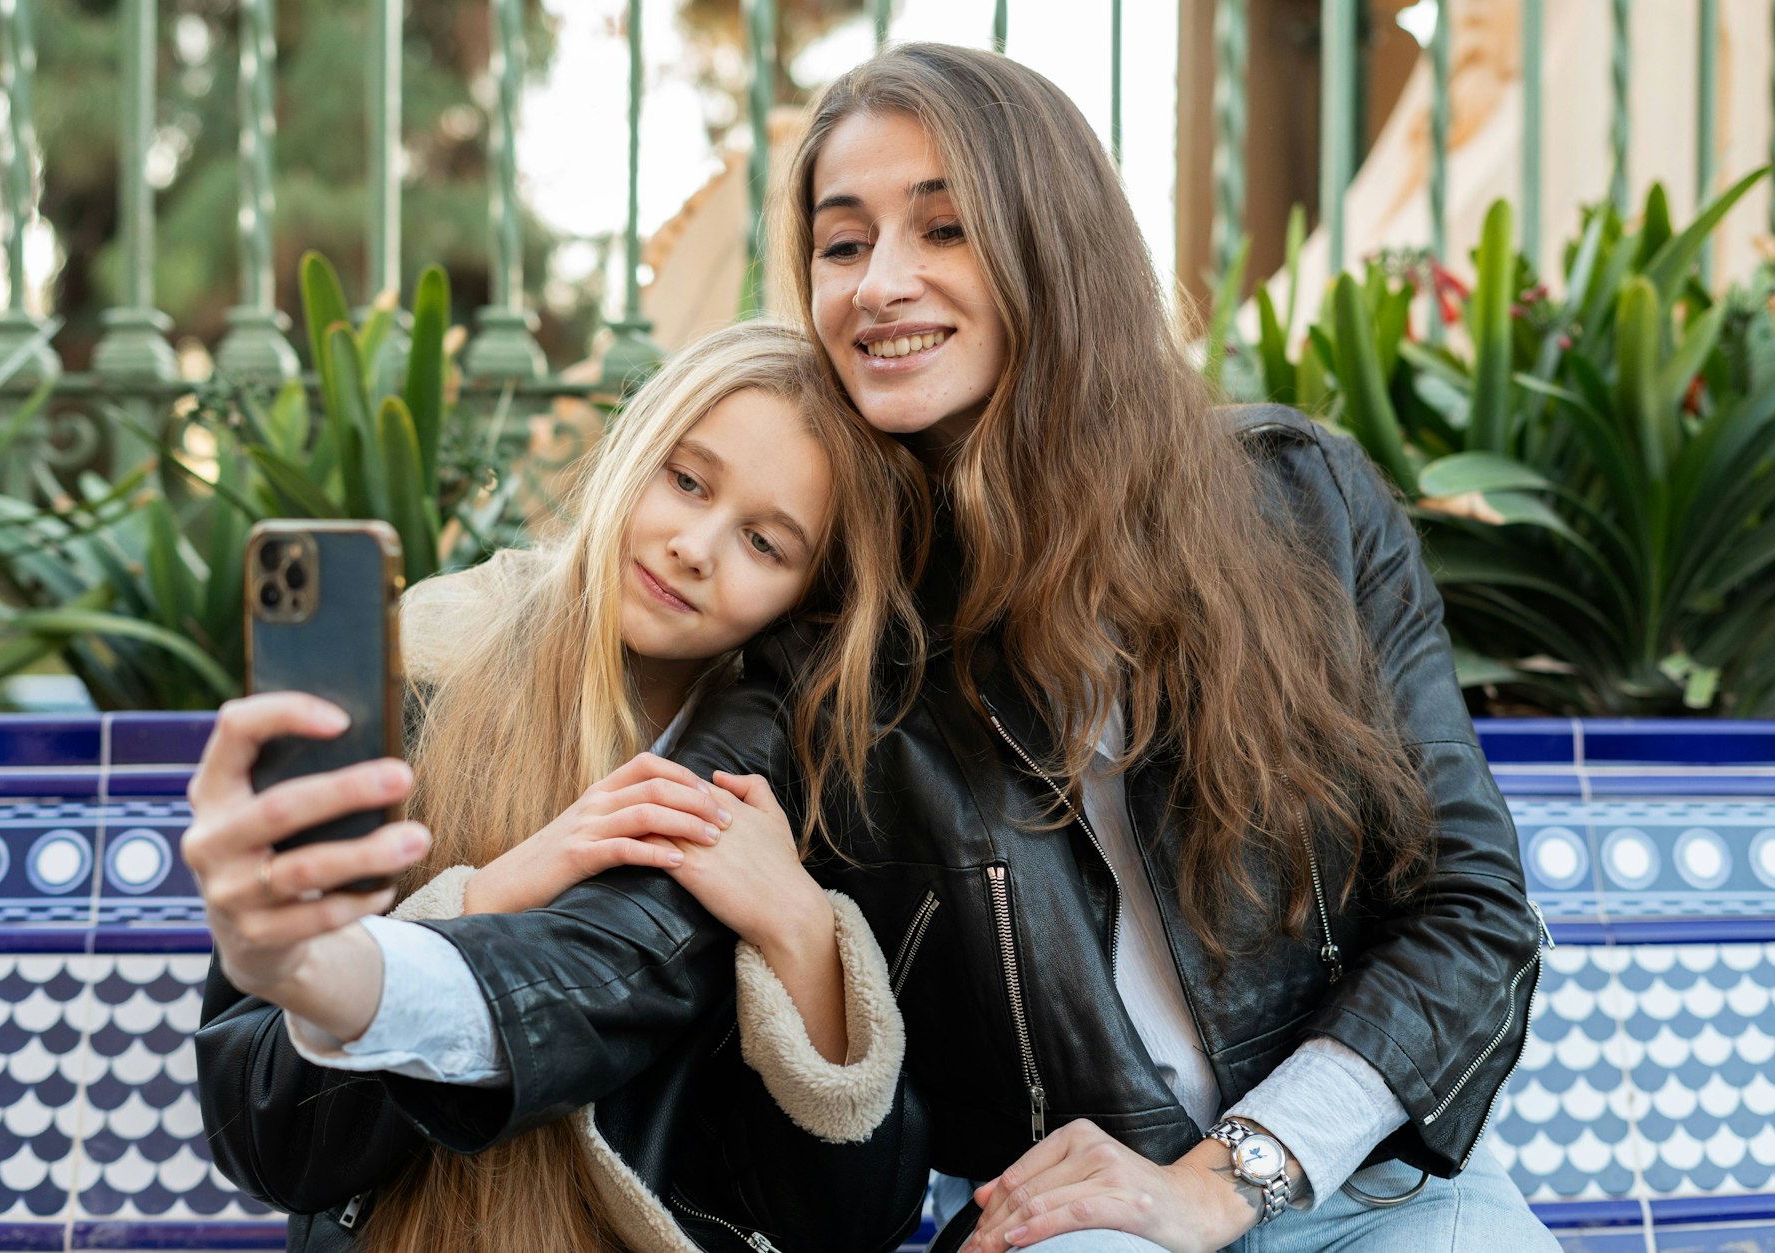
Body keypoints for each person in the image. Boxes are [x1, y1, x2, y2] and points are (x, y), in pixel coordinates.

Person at [201, 41, 1559, 1253]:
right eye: (842, 245)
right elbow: (631, 936)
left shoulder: (1302, 501)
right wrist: (327, 972)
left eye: (944, 228)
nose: (880, 283)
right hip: (1076, 1215)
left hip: (1371, 1184)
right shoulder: (843, 635)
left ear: (1055, 246)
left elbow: (1469, 912)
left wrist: (1231, 1176)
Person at [185, 321, 931, 1252]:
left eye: (766, 543)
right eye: (686, 480)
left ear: (809, 593)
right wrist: (500, 887)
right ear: (633, 449)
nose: (695, 546)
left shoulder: (804, 781)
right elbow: (265, 1131)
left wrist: (801, 935)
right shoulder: (428, 669)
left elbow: (853, 1220)